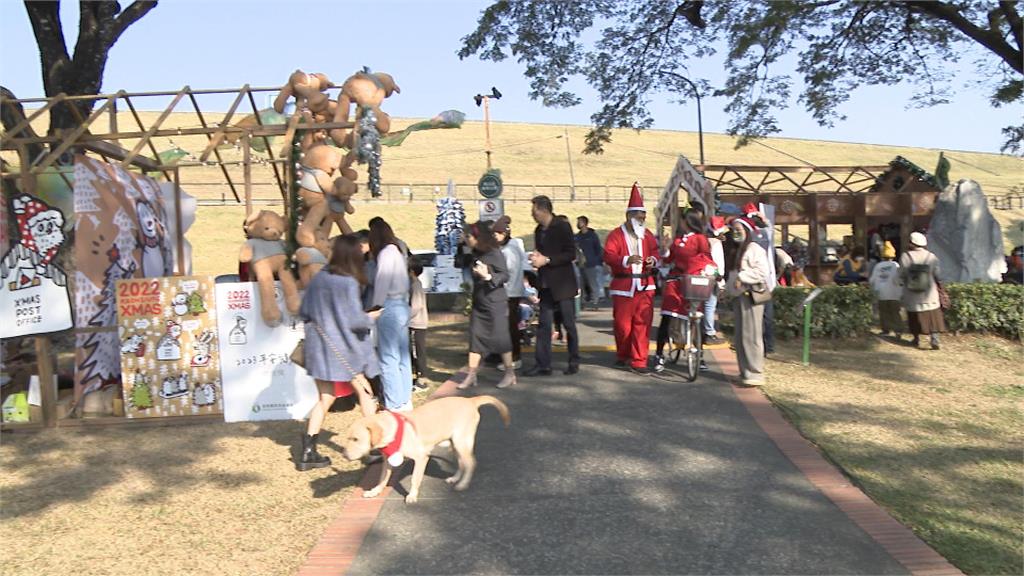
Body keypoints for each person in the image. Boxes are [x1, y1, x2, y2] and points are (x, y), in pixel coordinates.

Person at [295, 235, 381, 471]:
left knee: (324, 399)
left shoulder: (320, 276)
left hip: (318, 347)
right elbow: (354, 320)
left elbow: (303, 310)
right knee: (365, 391)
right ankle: (371, 447)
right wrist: (371, 317)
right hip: (343, 349)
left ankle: (308, 452)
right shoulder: (347, 282)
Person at [603, 183, 660, 374]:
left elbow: (655, 252)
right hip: (624, 286)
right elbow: (609, 256)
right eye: (639, 217)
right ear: (629, 216)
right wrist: (626, 260)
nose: (643, 220)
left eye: (644, 217)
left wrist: (654, 260)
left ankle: (639, 360)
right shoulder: (615, 235)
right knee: (623, 326)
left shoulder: (648, 235)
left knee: (642, 325)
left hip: (645, 286)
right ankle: (623, 353)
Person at [653, 208, 716, 373]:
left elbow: (706, 257)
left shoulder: (700, 239)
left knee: (696, 318)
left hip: (693, 281)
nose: (680, 223)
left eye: (682, 220)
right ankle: (659, 354)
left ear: (687, 221)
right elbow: (668, 259)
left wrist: (708, 272)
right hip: (676, 281)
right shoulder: (678, 240)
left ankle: (699, 354)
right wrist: (665, 249)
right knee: (667, 316)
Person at [524, 195, 580, 376]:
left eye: (535, 211)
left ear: (544, 210)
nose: (533, 215)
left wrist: (547, 260)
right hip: (546, 285)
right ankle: (543, 364)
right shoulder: (538, 231)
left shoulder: (562, 227)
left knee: (569, 324)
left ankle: (573, 360)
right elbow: (541, 253)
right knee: (544, 325)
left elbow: (571, 254)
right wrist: (535, 258)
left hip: (563, 284)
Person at [459, 220, 517, 389]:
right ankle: (471, 375)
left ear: (478, 237)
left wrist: (488, 277)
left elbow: (504, 275)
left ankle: (509, 373)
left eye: (468, 236)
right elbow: (462, 264)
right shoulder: (474, 252)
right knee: (475, 337)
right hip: (480, 301)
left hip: (495, 302)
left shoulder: (494, 252)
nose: (465, 238)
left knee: (501, 339)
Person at [368, 219, 413, 411]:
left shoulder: (386, 253)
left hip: (390, 306)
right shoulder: (398, 250)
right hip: (402, 304)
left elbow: (382, 281)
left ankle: (394, 402)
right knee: (403, 355)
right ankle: (404, 399)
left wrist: (374, 306)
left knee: (388, 358)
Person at [726, 217, 771, 386]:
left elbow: (762, 271)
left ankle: (756, 372)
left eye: (739, 229)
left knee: (752, 335)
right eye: (734, 230)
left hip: (751, 295)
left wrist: (743, 277)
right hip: (739, 295)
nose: (736, 233)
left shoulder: (754, 249)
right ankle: (744, 370)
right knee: (740, 336)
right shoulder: (736, 249)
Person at [899, 232, 945, 350]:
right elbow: (938, 275)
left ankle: (916, 339)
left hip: (912, 293)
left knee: (914, 317)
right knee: (933, 317)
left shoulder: (906, 256)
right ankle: (935, 339)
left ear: (911, 243)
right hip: (929, 294)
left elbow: (901, 274)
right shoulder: (931, 257)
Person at [493, 215, 528, 370]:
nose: (494, 237)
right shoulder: (509, 248)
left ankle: (514, 357)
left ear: (504, 234)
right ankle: (510, 356)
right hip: (510, 291)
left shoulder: (509, 251)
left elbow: (507, 272)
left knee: (510, 326)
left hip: (510, 292)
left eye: (496, 234)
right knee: (509, 326)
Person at [868, 241, 904, 338]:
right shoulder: (896, 265)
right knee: (895, 312)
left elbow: (872, 280)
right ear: (893, 255)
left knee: (883, 313)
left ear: (882, 256)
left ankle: (886, 330)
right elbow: (899, 279)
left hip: (881, 293)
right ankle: (898, 331)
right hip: (894, 293)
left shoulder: (878, 266)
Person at [703, 216, 729, 345]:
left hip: (700, 277)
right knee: (710, 305)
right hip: (713, 277)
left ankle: (701, 330)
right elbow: (718, 265)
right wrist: (720, 280)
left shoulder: (703, 240)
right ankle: (709, 333)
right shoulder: (716, 244)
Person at [408, 260, 429, 392]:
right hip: (416, 323)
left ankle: (423, 379)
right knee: (416, 352)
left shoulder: (415, 285)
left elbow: (416, 305)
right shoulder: (415, 284)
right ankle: (418, 376)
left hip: (416, 324)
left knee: (417, 352)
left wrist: (405, 317)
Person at [575, 215, 604, 308]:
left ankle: (595, 301)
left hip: (591, 263)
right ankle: (582, 301)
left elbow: (598, 249)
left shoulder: (592, 235)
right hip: (580, 264)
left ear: (585, 223)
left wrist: (596, 260)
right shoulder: (577, 237)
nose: (578, 224)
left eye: (580, 222)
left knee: (593, 283)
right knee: (581, 284)